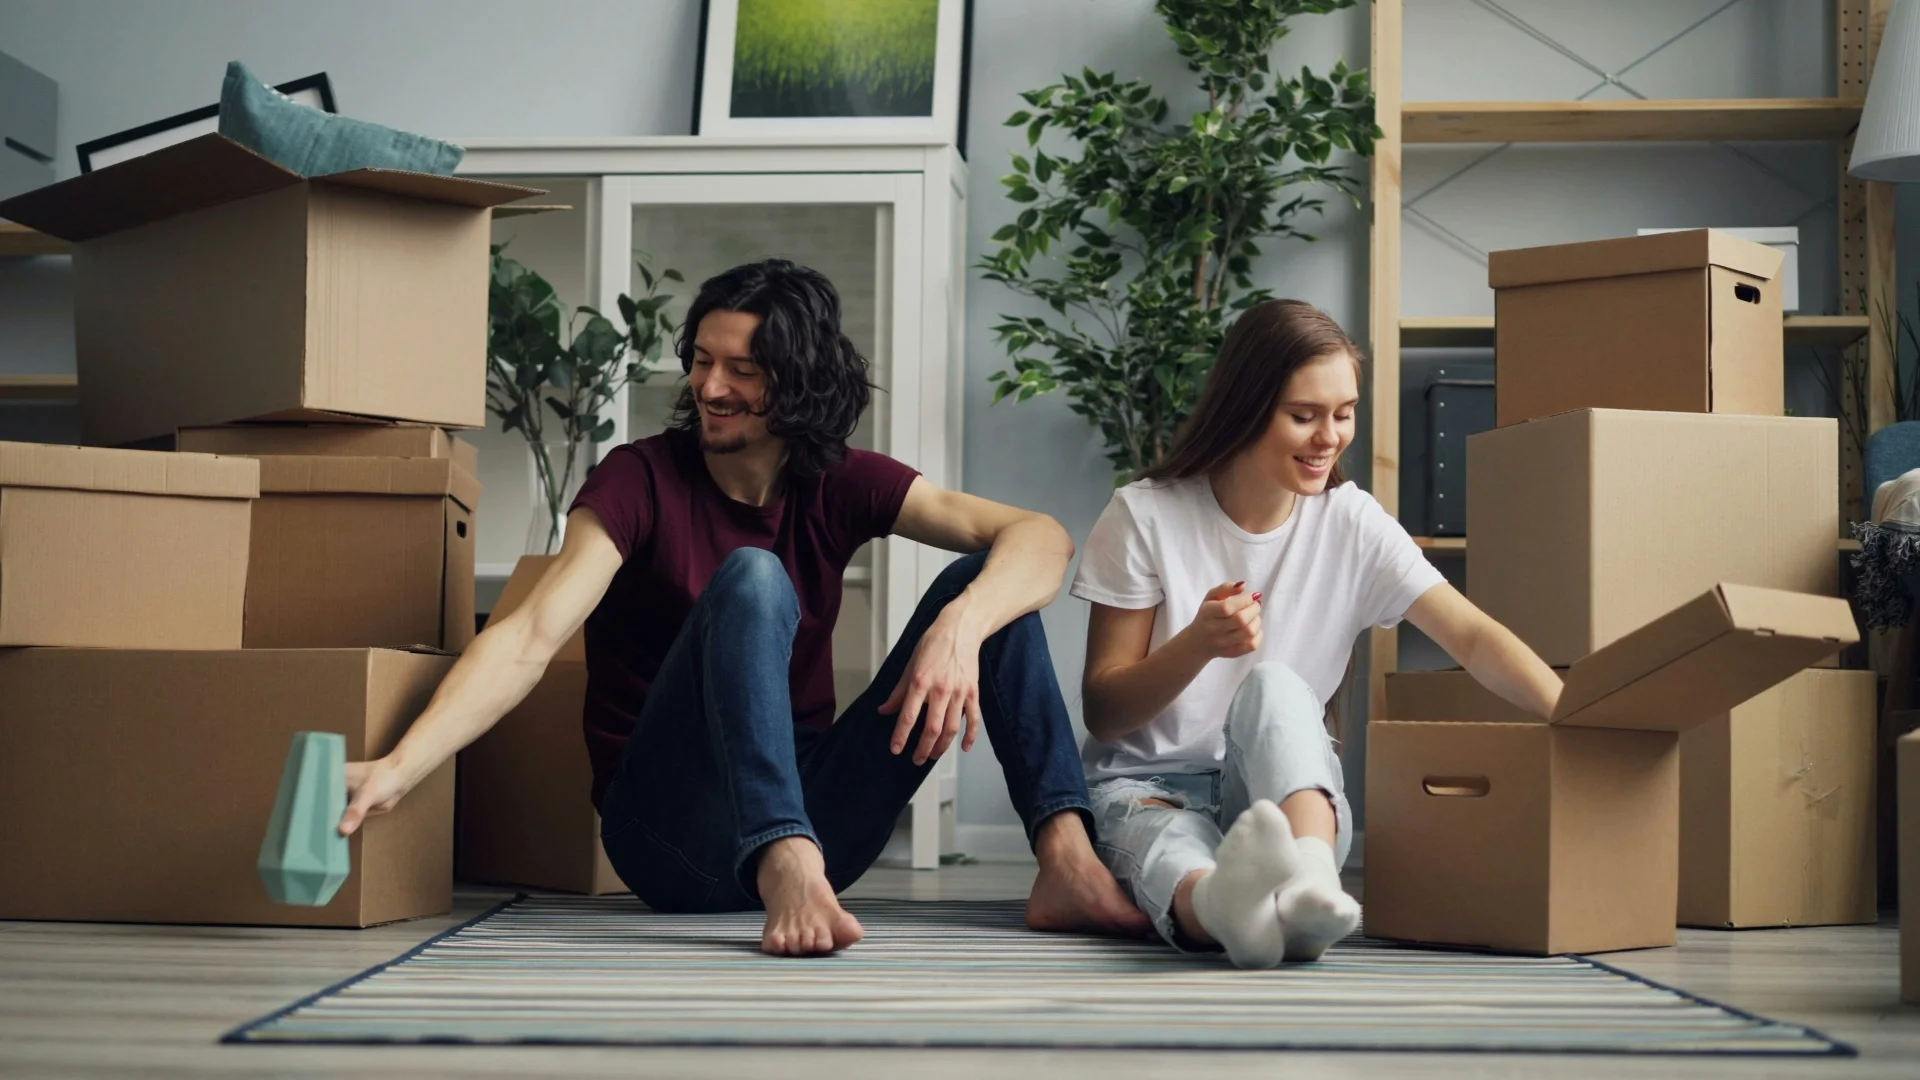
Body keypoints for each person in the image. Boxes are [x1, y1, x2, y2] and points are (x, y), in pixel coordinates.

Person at [338, 259, 1149, 956]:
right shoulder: (638, 479)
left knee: (989, 581)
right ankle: (786, 862)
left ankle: (1066, 861)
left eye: (743, 370)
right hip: (671, 840)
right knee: (755, 578)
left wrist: (960, 626)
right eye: (700, 360)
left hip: (817, 811)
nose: (710, 387)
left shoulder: (837, 480)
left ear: (797, 382)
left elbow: (1040, 536)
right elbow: (529, 635)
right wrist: (399, 767)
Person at [1073, 299, 1562, 968]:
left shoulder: (1352, 522)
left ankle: (1306, 880)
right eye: (1303, 416)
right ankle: (1226, 910)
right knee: (1174, 851)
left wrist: (1575, 714)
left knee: (1275, 684)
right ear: (1245, 408)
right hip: (1151, 785)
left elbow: (1472, 636)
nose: (1329, 437)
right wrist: (1197, 644)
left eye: (1344, 413)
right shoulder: (1145, 515)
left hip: (1292, 794)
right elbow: (1104, 712)